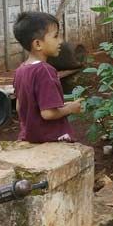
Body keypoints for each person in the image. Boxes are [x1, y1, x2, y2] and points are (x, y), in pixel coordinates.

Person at [12, 12, 82, 143]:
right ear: (38, 44)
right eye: (55, 36)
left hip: (28, 136)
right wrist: (70, 108)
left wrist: (61, 106)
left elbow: (19, 107)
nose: (60, 41)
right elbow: (48, 113)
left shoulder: (20, 70)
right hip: (50, 137)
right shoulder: (45, 71)